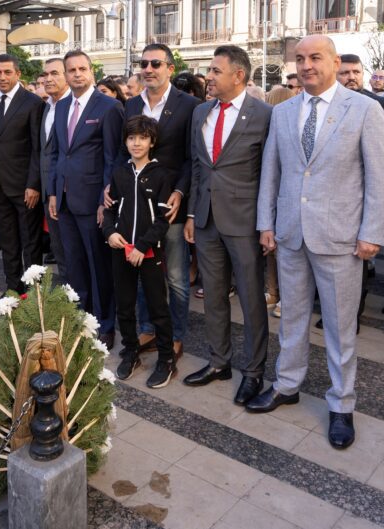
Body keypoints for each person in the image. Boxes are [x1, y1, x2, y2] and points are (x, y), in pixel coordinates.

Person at [250, 35, 384, 450]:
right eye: (300, 58)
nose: (306, 65)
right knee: (291, 317)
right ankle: (287, 384)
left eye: (315, 57)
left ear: (334, 61)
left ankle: (342, 403)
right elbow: (271, 171)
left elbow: (378, 177)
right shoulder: (283, 111)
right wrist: (266, 222)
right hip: (291, 232)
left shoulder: (364, 109)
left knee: (339, 326)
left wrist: (371, 233)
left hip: (341, 237)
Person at [181, 45, 271, 405]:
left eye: (216, 71)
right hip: (206, 219)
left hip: (245, 221)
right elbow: (198, 166)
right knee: (213, 296)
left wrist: (266, 222)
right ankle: (219, 362)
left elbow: (270, 173)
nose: (209, 77)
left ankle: (254, 371)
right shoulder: (201, 112)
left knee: (250, 299)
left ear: (239, 75)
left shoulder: (264, 114)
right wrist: (191, 214)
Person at [117, 43, 200, 362]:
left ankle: (176, 335)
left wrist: (180, 191)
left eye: (156, 63)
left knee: (176, 277)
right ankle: (148, 328)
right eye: (144, 63)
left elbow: (191, 156)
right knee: (140, 268)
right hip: (137, 205)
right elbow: (122, 152)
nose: (148, 69)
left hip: (171, 204)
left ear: (170, 68)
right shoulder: (132, 104)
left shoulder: (188, 105)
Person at [48, 49, 124, 348]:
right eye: (72, 70)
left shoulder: (109, 107)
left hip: (93, 201)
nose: (77, 74)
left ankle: (105, 323)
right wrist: (53, 192)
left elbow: (113, 159)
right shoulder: (61, 106)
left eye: (82, 69)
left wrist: (106, 201)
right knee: (74, 264)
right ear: (66, 75)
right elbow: (57, 153)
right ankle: (81, 317)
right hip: (65, 199)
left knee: (99, 265)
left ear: (91, 71)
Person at [106, 115, 175, 387]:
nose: (137, 143)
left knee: (158, 306)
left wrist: (142, 246)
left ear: (152, 142)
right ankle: (131, 350)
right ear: (125, 141)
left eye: (143, 138)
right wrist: (110, 233)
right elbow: (110, 209)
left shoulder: (160, 175)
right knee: (124, 305)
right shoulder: (119, 172)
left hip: (148, 252)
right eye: (132, 138)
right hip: (120, 250)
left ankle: (166, 358)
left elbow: (163, 219)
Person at [0, 53, 45, 300]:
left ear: (18, 74)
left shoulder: (33, 103)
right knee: (8, 242)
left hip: (25, 186)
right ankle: (12, 290)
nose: (2, 77)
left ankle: (34, 295)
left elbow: (37, 148)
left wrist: (34, 184)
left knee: (30, 243)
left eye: (7, 72)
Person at [262, 86, 296, 316]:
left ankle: (273, 292)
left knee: (274, 249)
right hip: (281, 194)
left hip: (278, 194)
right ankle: (280, 295)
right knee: (279, 249)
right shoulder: (275, 124)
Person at [39, 58, 70, 281]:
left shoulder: (74, 105)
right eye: (46, 74)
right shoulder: (46, 106)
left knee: (74, 250)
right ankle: (69, 294)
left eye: (55, 73)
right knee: (59, 250)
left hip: (69, 191)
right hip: (46, 189)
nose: (48, 79)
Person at [337, 54, 384, 128]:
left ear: (363, 74)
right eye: (345, 73)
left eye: (356, 72)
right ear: (335, 75)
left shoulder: (379, 103)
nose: (352, 77)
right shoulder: (326, 100)